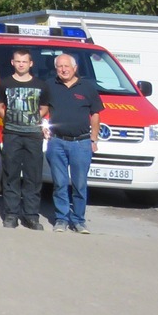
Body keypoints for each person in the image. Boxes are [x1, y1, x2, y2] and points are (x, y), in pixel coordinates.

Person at [44, 54, 103, 234]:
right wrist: (41, 127)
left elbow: (95, 114)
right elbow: (41, 109)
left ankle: (78, 220)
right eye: (60, 66)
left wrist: (93, 138)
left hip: (81, 143)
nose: (63, 69)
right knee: (60, 183)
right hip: (57, 142)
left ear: (75, 68)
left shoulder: (87, 87)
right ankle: (61, 219)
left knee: (79, 183)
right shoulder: (50, 86)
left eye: (66, 66)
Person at [0, 48, 49, 230]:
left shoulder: (41, 85)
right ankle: (11, 214)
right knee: (11, 174)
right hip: (12, 134)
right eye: (18, 61)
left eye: (24, 61)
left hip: (33, 135)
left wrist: (33, 119)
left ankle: (31, 215)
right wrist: (7, 117)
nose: (21, 64)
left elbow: (45, 107)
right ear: (13, 63)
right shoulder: (5, 84)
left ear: (31, 64)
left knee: (33, 176)